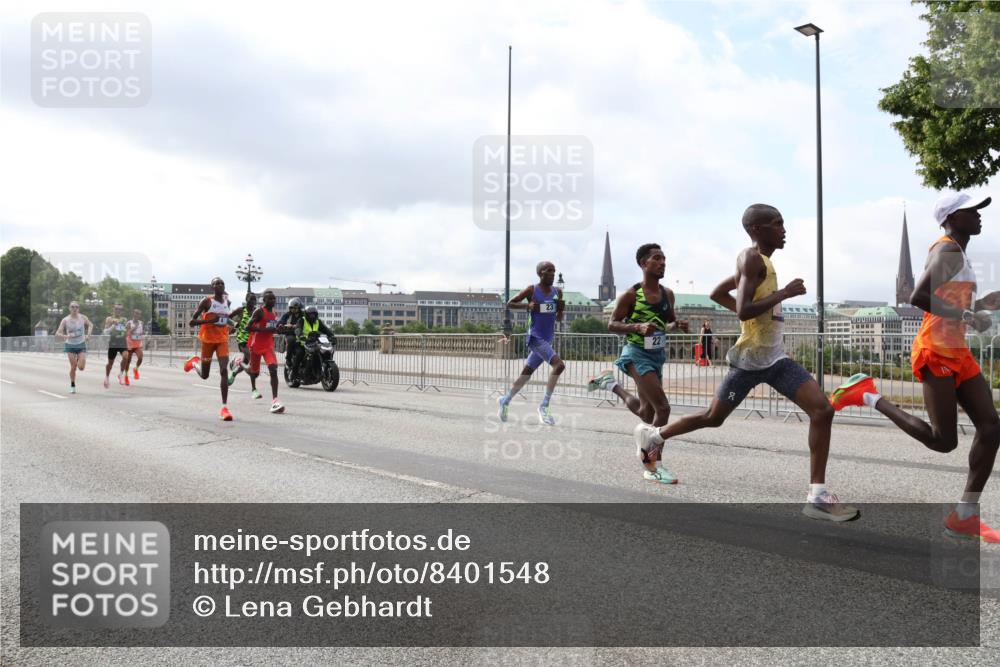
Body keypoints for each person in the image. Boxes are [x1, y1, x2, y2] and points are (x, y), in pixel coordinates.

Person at [631, 205, 857, 521]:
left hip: (775, 358)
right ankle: (654, 436)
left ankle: (817, 495)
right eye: (777, 224)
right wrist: (785, 294)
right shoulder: (749, 258)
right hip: (750, 360)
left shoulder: (762, 263)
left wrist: (763, 304)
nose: (784, 229)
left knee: (822, 410)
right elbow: (743, 311)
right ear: (756, 229)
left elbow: (718, 293)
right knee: (713, 417)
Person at [830, 192, 999, 541]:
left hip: (957, 350)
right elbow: (918, 297)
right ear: (951, 218)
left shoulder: (958, 253)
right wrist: (969, 314)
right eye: (971, 211)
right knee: (943, 442)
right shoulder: (947, 249)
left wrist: (983, 304)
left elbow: (949, 302)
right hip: (935, 350)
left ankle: (964, 515)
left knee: (992, 428)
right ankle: (868, 396)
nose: (979, 215)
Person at [587, 244, 687, 484]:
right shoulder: (632, 294)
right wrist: (637, 327)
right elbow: (612, 324)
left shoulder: (668, 294)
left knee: (646, 412)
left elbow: (668, 323)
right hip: (636, 354)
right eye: (657, 258)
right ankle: (652, 466)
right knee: (663, 409)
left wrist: (677, 325)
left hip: (656, 356)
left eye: (664, 258)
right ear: (644, 264)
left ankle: (611, 384)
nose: (663, 262)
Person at [496, 261, 565, 426]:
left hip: (547, 338)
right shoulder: (532, 289)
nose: (553, 274)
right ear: (541, 273)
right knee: (559, 365)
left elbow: (558, 319)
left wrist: (561, 309)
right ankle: (544, 406)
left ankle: (505, 400)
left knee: (526, 373)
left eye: (554, 271)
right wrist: (528, 305)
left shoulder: (558, 292)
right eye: (549, 271)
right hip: (535, 337)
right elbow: (510, 303)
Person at [183, 277, 234, 421]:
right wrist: (209, 321)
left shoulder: (227, 302)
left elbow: (225, 318)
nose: (220, 285)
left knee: (224, 370)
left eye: (222, 283)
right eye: (216, 283)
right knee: (205, 375)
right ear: (212, 287)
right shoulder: (206, 301)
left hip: (222, 340)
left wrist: (232, 325)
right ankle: (193, 363)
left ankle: (224, 408)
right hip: (207, 341)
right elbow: (192, 322)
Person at [245, 289, 285, 413]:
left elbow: (272, 328)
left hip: (268, 346)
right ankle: (240, 365)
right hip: (256, 345)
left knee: (273, 369)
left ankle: (275, 401)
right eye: (270, 299)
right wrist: (264, 330)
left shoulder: (274, 312)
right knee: (254, 372)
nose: (273, 300)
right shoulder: (259, 312)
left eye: (274, 298)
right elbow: (247, 327)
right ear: (264, 300)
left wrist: (278, 329)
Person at [54, 302, 93, 394]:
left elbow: (90, 325)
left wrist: (88, 335)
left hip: (81, 344)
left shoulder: (83, 317)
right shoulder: (65, 320)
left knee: (81, 367)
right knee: (74, 366)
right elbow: (58, 333)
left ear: (78, 309)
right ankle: (72, 384)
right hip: (70, 345)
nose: (74, 308)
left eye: (76, 307)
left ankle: (80, 358)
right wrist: (63, 335)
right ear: (69, 308)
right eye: (72, 307)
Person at [292, 305, 336, 382]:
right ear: (306, 314)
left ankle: (317, 370)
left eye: (314, 314)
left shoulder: (318, 322)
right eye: (310, 314)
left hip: (313, 343)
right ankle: (294, 374)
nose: (312, 316)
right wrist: (300, 334)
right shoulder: (301, 320)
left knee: (323, 352)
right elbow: (298, 328)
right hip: (302, 343)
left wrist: (332, 336)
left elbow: (326, 330)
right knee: (300, 354)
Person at [227, 292, 257, 387]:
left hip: (252, 339)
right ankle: (254, 386)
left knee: (246, 362)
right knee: (251, 358)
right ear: (246, 299)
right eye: (251, 299)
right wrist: (234, 324)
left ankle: (234, 373)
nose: (253, 301)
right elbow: (228, 318)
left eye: (254, 299)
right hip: (242, 338)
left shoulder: (257, 311)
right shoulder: (241, 310)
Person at [279, 298, 305, 388]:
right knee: (291, 340)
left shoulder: (304, 315)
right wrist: (284, 326)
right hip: (290, 335)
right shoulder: (287, 315)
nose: (294, 309)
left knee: (300, 352)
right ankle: (288, 360)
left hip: (301, 337)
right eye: (292, 308)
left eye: (296, 307)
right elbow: (279, 323)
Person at [103, 304, 129, 388]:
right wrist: (113, 325)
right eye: (116, 309)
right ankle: (107, 377)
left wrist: (129, 329)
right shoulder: (109, 319)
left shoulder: (124, 320)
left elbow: (126, 331)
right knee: (110, 363)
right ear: (113, 309)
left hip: (122, 342)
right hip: (113, 343)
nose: (118, 311)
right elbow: (105, 332)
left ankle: (121, 374)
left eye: (120, 309)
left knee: (126, 357)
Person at [123, 308, 145, 383]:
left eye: (138, 314)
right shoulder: (129, 323)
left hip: (137, 344)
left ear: (139, 315)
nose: (137, 315)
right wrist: (133, 329)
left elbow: (142, 332)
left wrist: (142, 334)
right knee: (128, 361)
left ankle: (136, 369)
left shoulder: (141, 323)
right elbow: (126, 333)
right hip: (129, 344)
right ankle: (126, 376)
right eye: (136, 313)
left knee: (141, 357)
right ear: (133, 314)